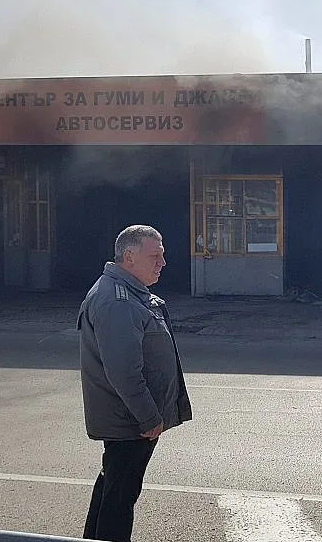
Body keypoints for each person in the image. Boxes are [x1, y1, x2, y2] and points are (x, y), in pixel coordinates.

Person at [78, 225, 192, 542]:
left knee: (114, 487)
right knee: (119, 497)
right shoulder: (119, 301)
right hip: (131, 421)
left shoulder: (132, 294)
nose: (163, 263)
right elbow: (124, 371)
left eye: (163, 255)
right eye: (155, 256)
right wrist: (149, 417)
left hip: (130, 418)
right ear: (129, 257)